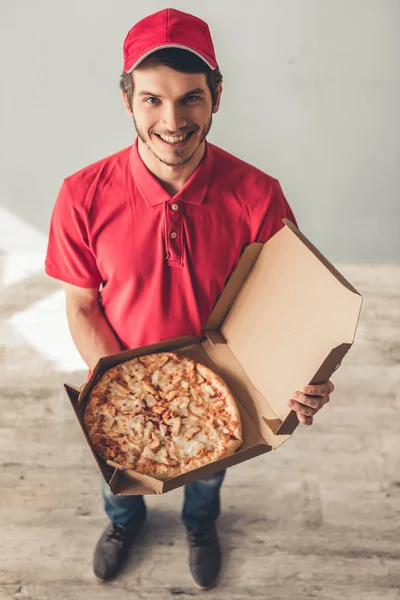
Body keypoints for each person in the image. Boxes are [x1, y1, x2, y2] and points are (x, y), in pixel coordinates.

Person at [45, 7, 335, 590]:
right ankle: (124, 523)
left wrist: (304, 374)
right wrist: (126, 393)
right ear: (127, 99)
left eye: (191, 98)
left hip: (222, 386)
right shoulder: (81, 195)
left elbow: (288, 310)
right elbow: (81, 305)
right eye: (152, 99)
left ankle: (200, 525)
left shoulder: (259, 194)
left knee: (205, 479)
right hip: (118, 377)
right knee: (119, 480)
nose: (173, 120)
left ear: (217, 96)